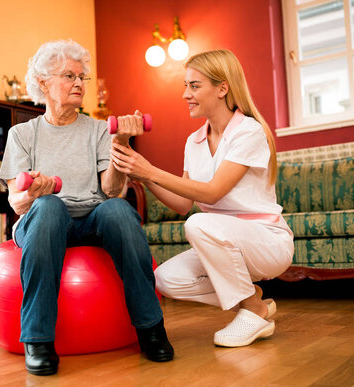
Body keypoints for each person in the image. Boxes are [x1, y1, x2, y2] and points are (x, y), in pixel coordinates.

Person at [0, 39, 174, 376]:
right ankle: (38, 339)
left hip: (93, 217)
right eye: (69, 76)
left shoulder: (97, 130)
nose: (79, 83)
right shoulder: (22, 134)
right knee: (49, 206)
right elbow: (16, 202)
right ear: (43, 82)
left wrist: (120, 141)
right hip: (45, 221)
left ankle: (151, 329)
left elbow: (112, 191)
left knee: (119, 212)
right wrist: (35, 193)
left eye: (83, 77)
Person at [110, 49, 294, 348]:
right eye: (185, 86)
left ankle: (253, 313)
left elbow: (212, 192)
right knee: (166, 279)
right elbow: (183, 203)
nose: (185, 94)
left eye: (194, 86)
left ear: (222, 88)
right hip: (217, 236)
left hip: (265, 241)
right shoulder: (194, 141)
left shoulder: (249, 131)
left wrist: (151, 170)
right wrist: (141, 174)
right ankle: (252, 301)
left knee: (200, 224)